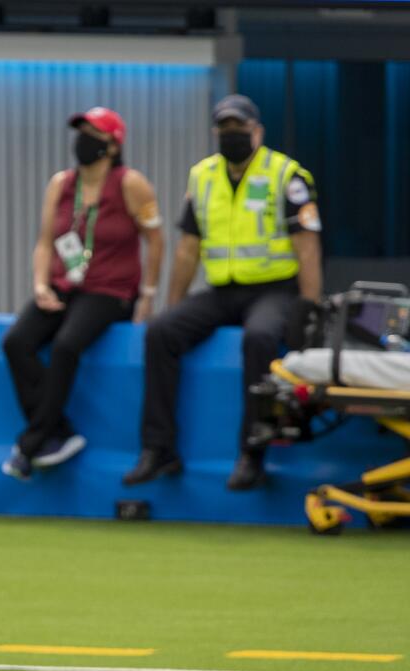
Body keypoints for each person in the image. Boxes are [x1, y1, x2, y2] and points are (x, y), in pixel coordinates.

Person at [124, 94, 322, 490]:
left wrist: (310, 309)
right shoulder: (203, 176)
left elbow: (307, 247)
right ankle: (159, 449)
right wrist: (173, 306)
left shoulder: (286, 175)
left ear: (257, 131)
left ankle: (253, 453)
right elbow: (187, 249)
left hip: (274, 289)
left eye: (240, 129)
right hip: (222, 289)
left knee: (260, 337)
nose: (232, 135)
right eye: (225, 129)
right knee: (162, 332)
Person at [2, 107, 164, 480]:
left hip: (112, 291)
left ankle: (30, 445)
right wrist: (40, 286)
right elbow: (45, 243)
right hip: (64, 286)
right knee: (16, 342)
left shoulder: (130, 183)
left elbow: (155, 240)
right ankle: (59, 432)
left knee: (65, 346)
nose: (83, 139)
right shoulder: (61, 184)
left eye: (93, 133)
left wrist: (148, 294)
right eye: (81, 131)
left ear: (112, 144)